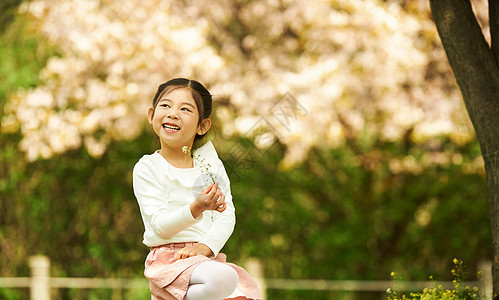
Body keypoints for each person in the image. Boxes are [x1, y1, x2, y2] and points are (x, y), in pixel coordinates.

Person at [133, 78, 262, 300]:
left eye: (185, 109)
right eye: (166, 105)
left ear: (202, 125)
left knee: (234, 284)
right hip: (169, 261)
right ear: (151, 115)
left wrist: (204, 247)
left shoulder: (210, 165)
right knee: (225, 279)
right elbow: (160, 226)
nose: (173, 113)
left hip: (204, 261)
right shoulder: (148, 167)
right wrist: (196, 208)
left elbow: (226, 215)